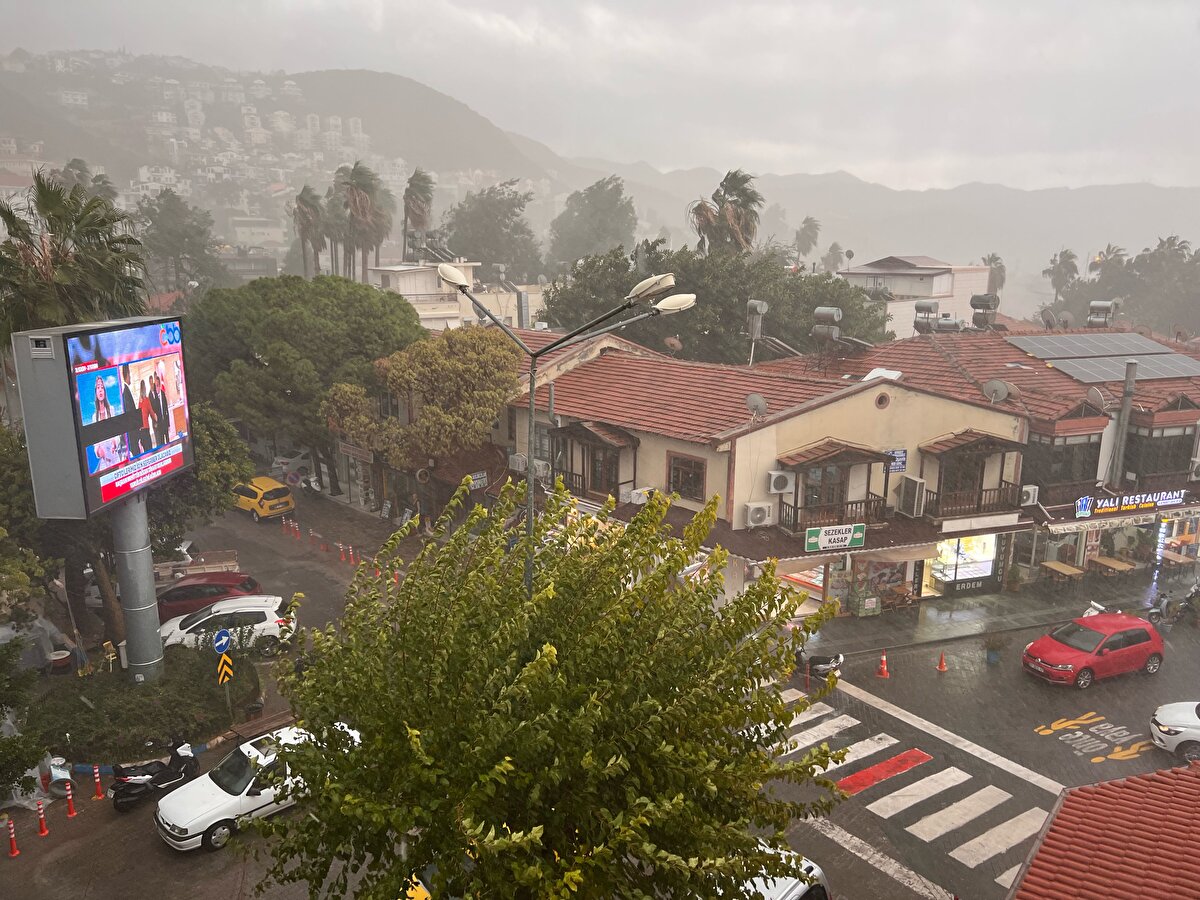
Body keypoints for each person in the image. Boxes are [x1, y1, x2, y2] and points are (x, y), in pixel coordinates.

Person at [120, 365, 137, 456]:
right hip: (132, 435)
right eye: (130, 375)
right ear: (127, 375)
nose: (131, 378)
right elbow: (130, 414)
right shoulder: (125, 392)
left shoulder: (127, 391)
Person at [137, 379, 156, 453]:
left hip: (140, 429)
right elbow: (151, 412)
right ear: (145, 388)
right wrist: (156, 419)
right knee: (149, 449)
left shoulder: (139, 401)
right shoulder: (147, 400)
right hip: (145, 428)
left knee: (145, 451)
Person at [151, 374, 170, 444]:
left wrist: (168, 423)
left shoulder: (163, 394)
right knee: (162, 442)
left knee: (168, 440)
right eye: (156, 386)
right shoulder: (154, 397)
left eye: (158, 385)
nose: (157, 387)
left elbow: (166, 410)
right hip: (159, 424)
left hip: (165, 421)